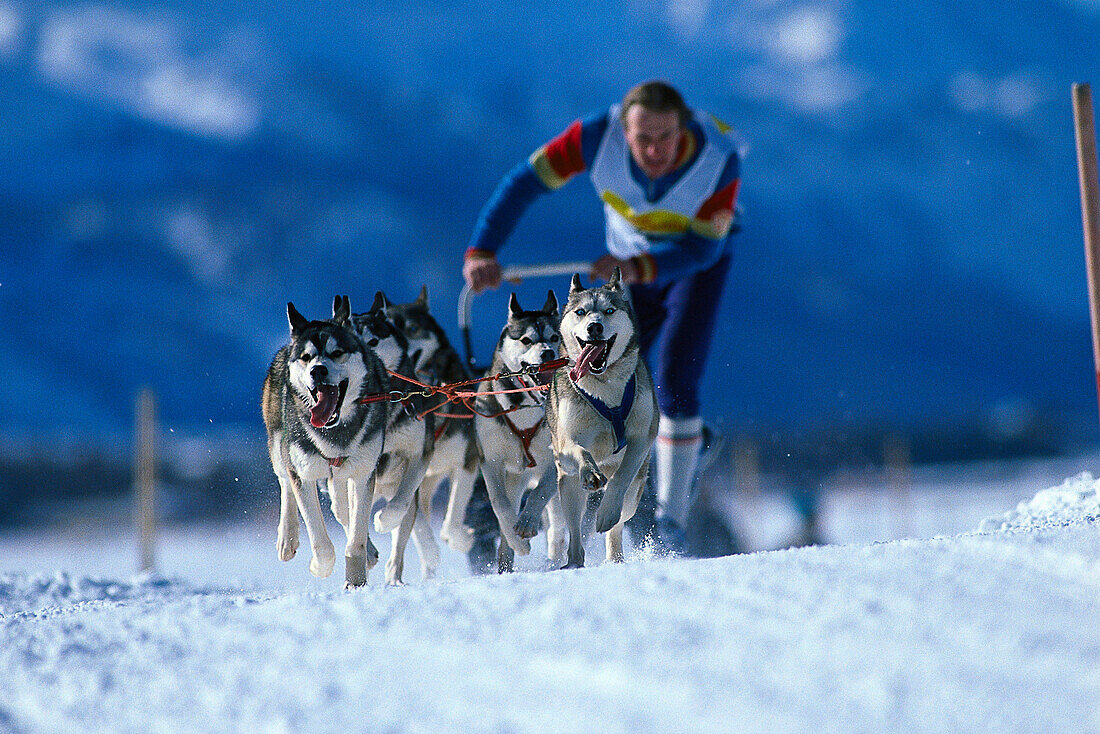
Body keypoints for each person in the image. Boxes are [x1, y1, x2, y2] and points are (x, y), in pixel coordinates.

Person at [462, 80, 743, 557]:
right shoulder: (593, 138)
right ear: (624, 131)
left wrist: (639, 267)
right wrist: (482, 248)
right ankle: (658, 455)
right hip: (623, 272)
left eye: (666, 138)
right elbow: (525, 182)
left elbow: (703, 247)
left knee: (675, 378)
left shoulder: (720, 158)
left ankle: (669, 520)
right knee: (598, 378)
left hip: (690, 267)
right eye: (642, 139)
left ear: (685, 128)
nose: (654, 150)